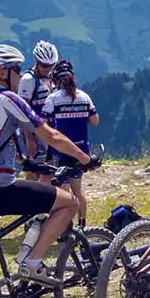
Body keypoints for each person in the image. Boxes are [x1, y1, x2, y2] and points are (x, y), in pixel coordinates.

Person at [0, 44, 94, 288]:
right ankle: (32, 262)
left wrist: (28, 163)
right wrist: (85, 159)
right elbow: (51, 136)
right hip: (1, 189)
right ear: (2, 72)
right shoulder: (9, 99)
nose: (21, 75)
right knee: (70, 202)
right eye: (16, 69)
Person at [39, 60, 98, 223]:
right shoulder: (84, 96)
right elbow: (95, 121)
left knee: (63, 190)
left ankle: (65, 227)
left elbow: (41, 123)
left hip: (62, 151)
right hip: (82, 150)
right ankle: (82, 224)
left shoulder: (53, 98)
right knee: (78, 190)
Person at [17, 41, 59, 178]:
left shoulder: (52, 77)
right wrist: (29, 139)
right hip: (35, 131)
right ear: (36, 60)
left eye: (51, 65)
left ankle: (44, 198)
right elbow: (22, 110)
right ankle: (27, 198)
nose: (48, 68)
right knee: (33, 171)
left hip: (51, 130)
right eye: (44, 65)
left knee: (50, 168)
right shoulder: (28, 80)